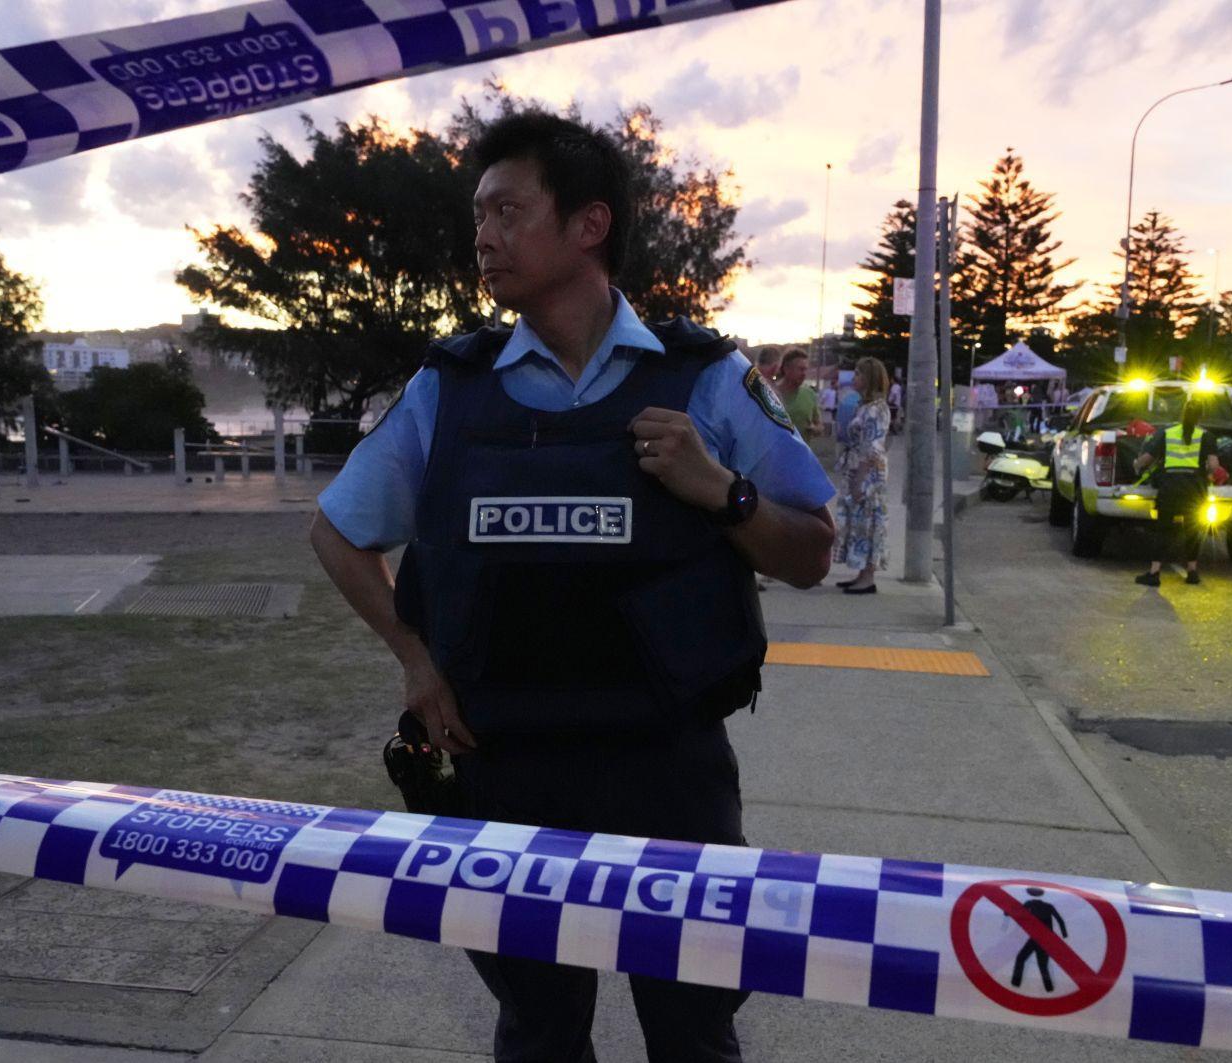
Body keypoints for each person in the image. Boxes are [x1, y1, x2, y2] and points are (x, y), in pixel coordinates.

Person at [307, 112, 836, 1063]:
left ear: (588, 224)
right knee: (540, 1033)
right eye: (478, 216)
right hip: (506, 764)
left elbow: (811, 551)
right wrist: (415, 658)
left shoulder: (705, 378)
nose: (484, 236)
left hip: (668, 770)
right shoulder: (451, 387)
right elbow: (338, 533)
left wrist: (720, 490)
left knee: (692, 1031)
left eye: (509, 210)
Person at [1132, 397, 1223, 586]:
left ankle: (1154, 573)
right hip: (1194, 489)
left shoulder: (1167, 432)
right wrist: (1205, 474)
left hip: (1170, 487)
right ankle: (1192, 572)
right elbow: (1214, 466)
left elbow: (1148, 458)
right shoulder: (1206, 436)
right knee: (1192, 529)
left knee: (1163, 530)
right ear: (1201, 416)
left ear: (1182, 413)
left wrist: (1136, 465)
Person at [835, 357, 891, 595]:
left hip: (868, 471)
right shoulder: (865, 406)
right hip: (859, 466)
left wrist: (860, 479)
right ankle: (861, 572)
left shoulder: (876, 409)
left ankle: (868, 576)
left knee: (867, 521)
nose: (854, 378)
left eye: (858, 374)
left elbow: (872, 447)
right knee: (858, 522)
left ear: (868, 378)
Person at [775, 348, 821, 442]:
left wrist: (815, 429)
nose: (804, 374)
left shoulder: (809, 394)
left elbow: (819, 425)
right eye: (800, 369)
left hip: (802, 454)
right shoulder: (771, 394)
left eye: (805, 370)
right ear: (786, 369)